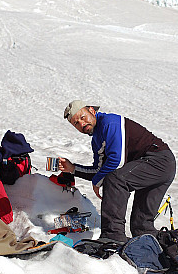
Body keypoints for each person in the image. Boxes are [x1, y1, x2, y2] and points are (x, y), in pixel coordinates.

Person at [59, 100, 176, 245]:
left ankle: (112, 236)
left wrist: (97, 181)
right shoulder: (96, 139)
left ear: (91, 110)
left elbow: (117, 160)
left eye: (82, 117)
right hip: (152, 167)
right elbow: (99, 170)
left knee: (116, 179)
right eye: (76, 123)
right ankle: (167, 249)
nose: (81, 124)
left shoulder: (110, 123)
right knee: (141, 227)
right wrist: (73, 169)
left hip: (159, 161)